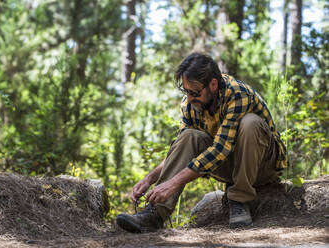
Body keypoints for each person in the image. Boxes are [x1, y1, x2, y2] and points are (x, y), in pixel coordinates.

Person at [116, 53, 288, 233]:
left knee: (250, 123)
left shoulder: (238, 94)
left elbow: (220, 149)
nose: (189, 98)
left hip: (264, 165)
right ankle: (155, 214)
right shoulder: (190, 105)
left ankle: (240, 200)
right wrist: (150, 179)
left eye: (194, 92)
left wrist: (173, 183)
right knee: (189, 135)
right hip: (230, 165)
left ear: (213, 84)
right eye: (186, 91)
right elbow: (181, 151)